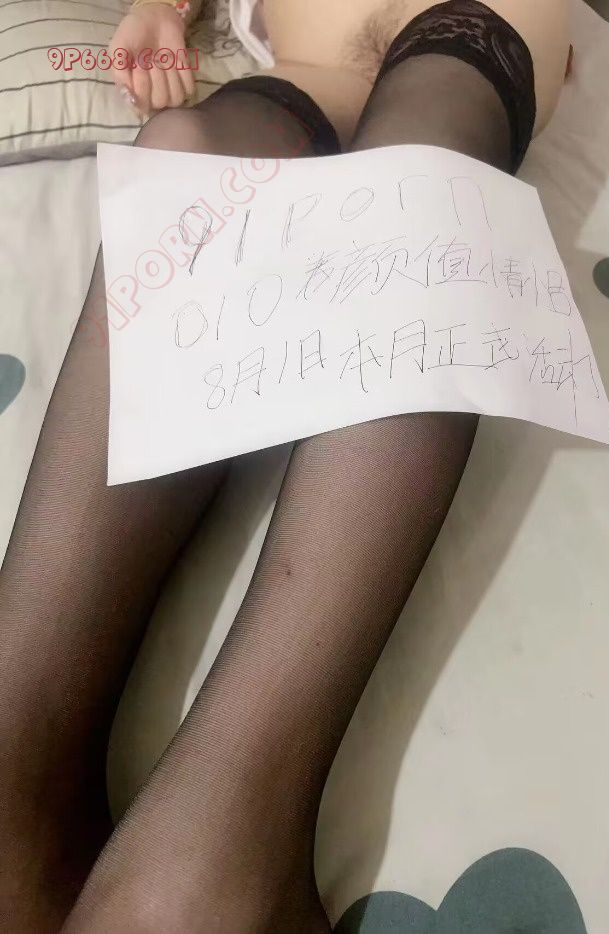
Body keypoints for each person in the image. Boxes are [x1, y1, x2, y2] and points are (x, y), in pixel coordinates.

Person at [0, 2, 570, 930]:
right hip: (316, 68)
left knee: (423, 177)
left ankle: (213, 855)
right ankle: (103, 839)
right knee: (187, 155)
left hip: (468, 23)